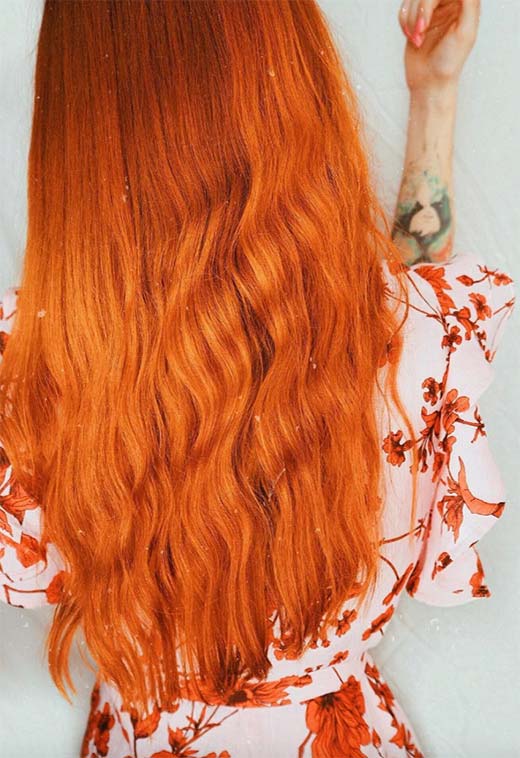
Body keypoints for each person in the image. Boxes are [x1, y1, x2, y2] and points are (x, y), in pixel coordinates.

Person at [0, 1, 515, 756]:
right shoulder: (420, 334)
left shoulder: (25, 375)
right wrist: (435, 97)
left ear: (76, 126)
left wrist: (433, 90)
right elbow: (404, 323)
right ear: (291, 80)